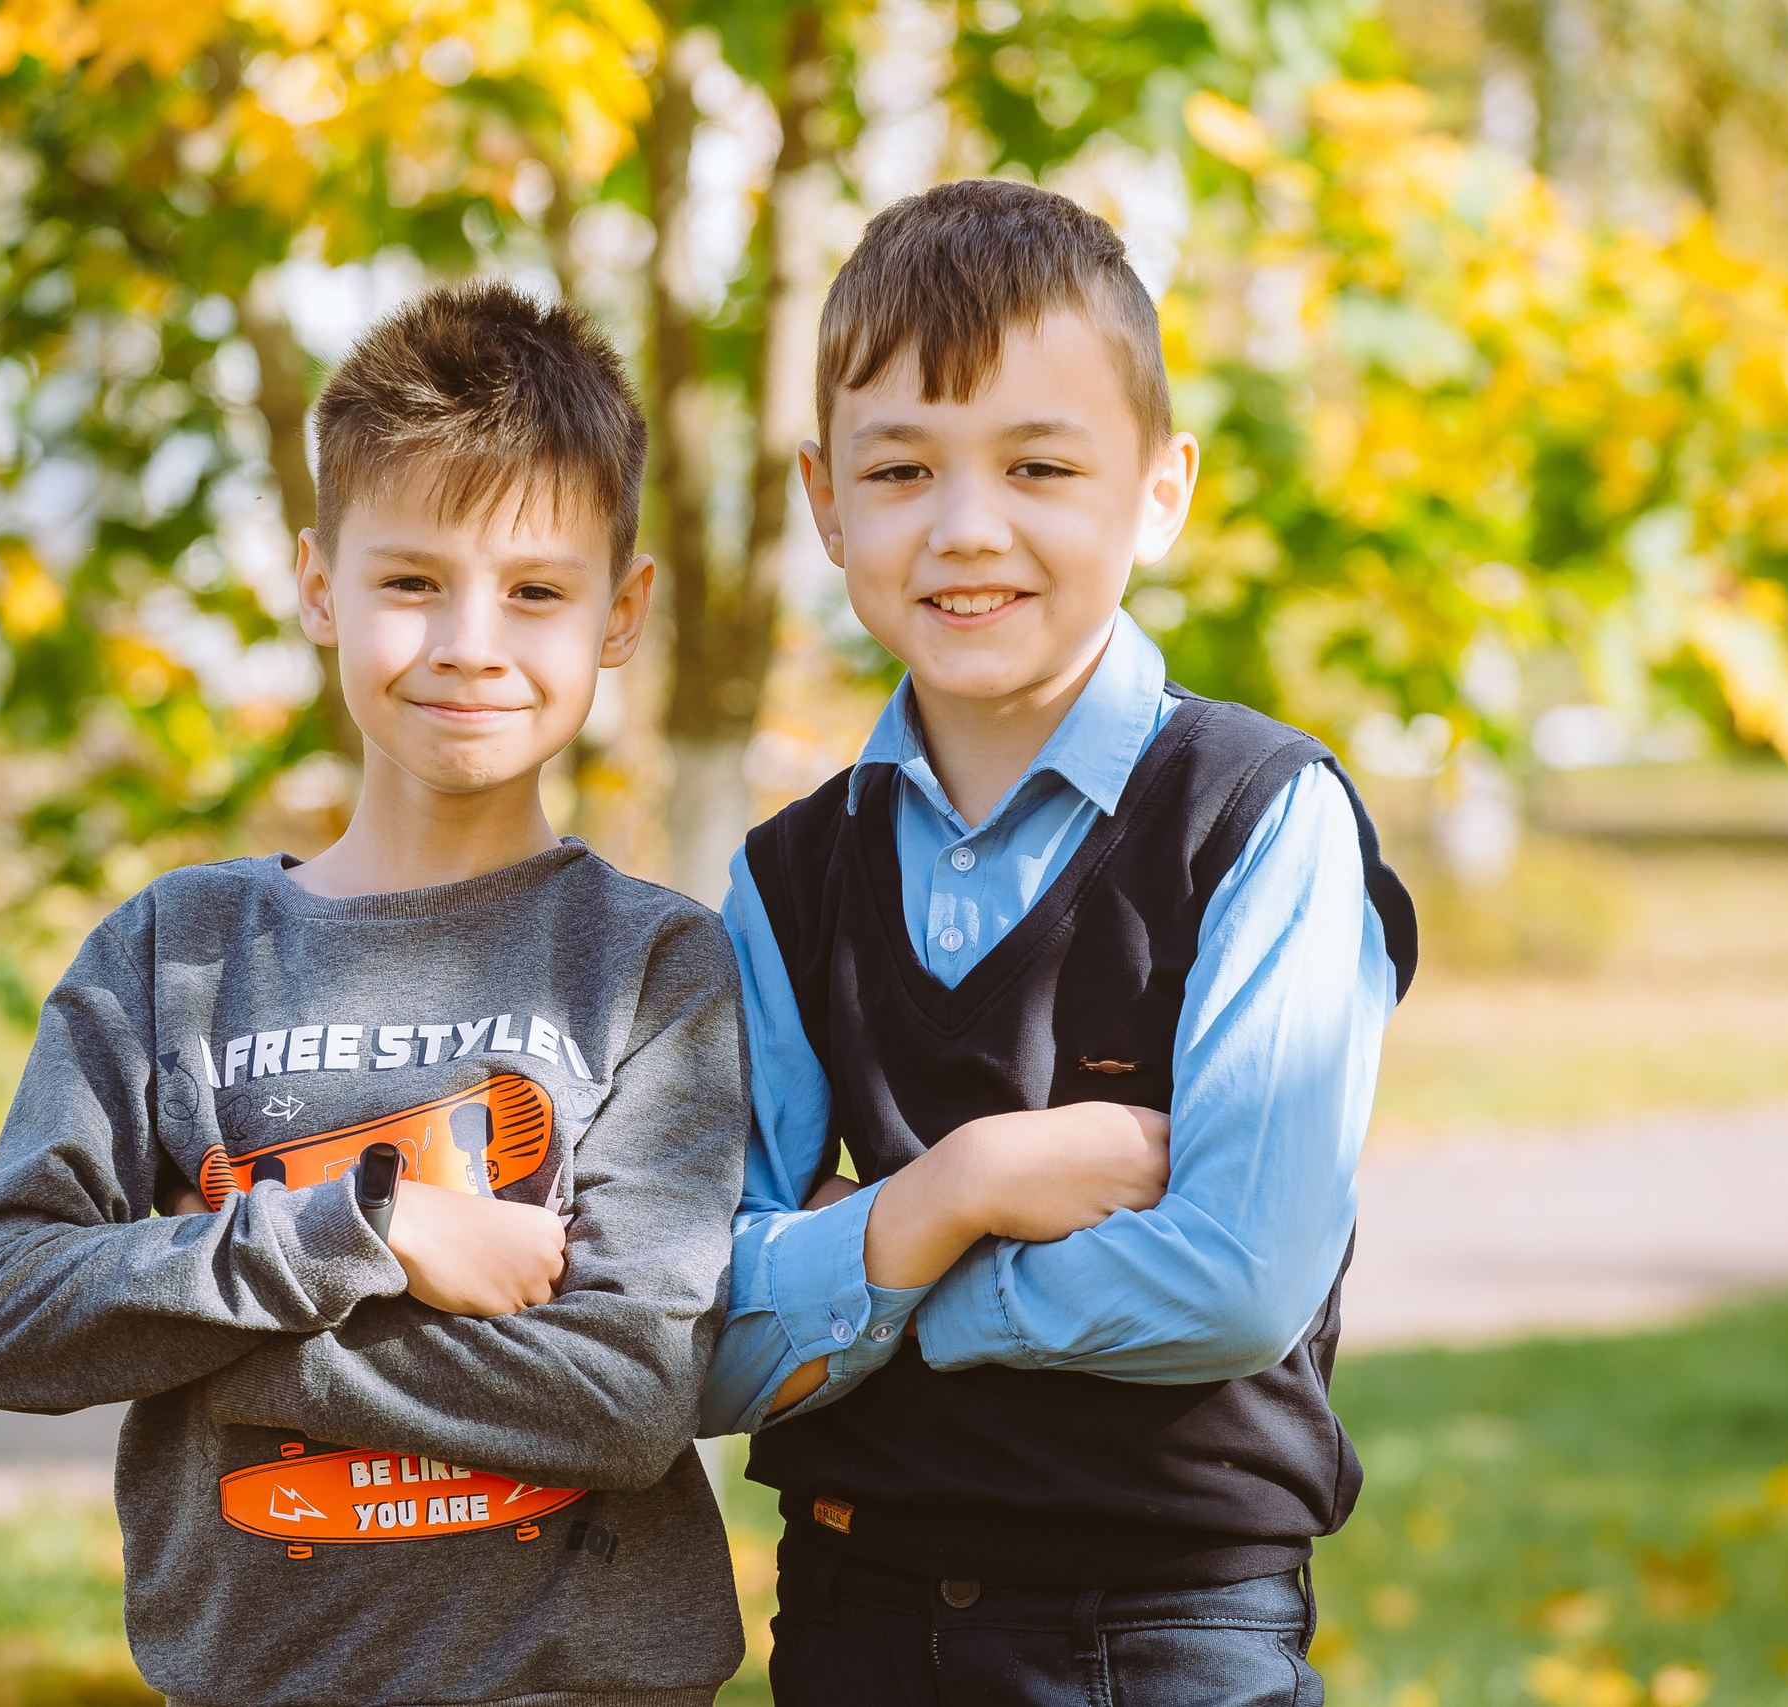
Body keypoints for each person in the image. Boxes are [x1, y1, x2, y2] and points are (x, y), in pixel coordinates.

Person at [0, 283, 749, 1707]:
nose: (470, 642)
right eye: (412, 581)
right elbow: (2, 1311)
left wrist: (204, 1347)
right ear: (319, 586)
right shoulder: (175, 952)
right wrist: (370, 1233)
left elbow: (629, 1398)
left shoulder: (653, 968)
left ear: (621, 613)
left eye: (537, 592)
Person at [701, 179, 1419, 1704]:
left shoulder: (1257, 819)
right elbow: (699, 1330)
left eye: (1039, 463)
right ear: (826, 503)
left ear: (1161, 490)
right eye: (899, 469)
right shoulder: (789, 878)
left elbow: (1234, 1280)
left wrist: (870, 1273)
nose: (968, 530)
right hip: (850, 1619)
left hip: (1161, 1635)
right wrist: (971, 1186)